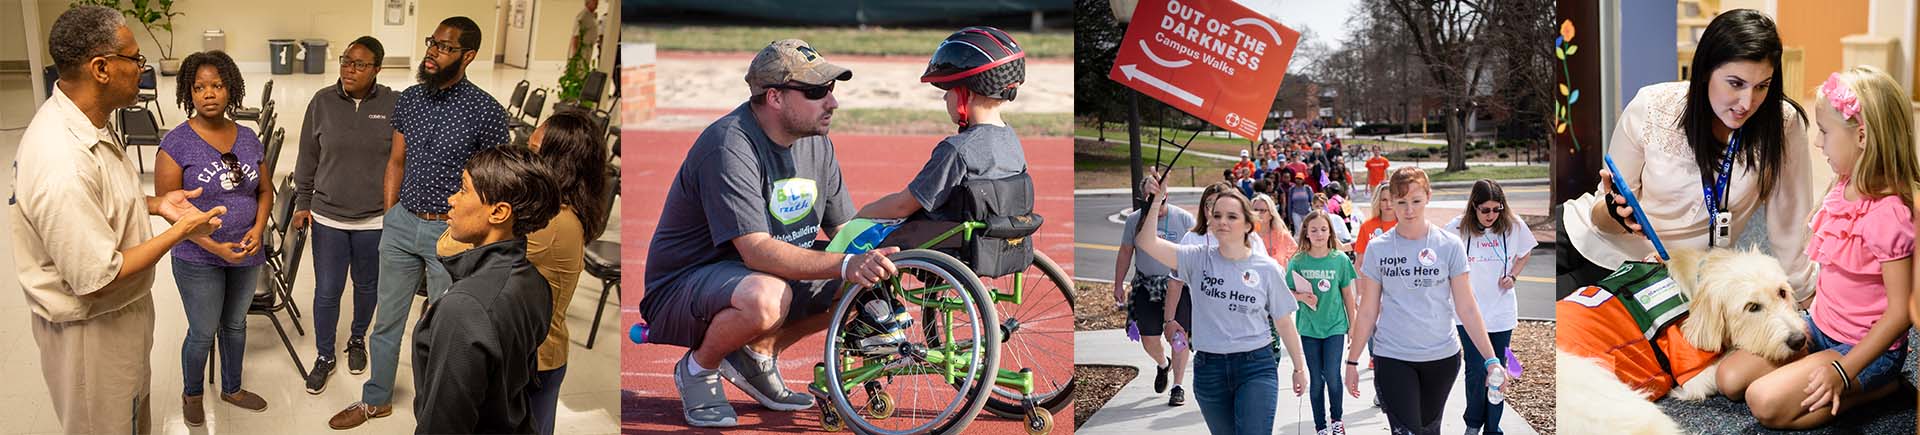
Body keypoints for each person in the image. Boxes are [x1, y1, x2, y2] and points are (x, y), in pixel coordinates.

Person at [642, 39, 898, 428]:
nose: (832, 103)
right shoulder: (729, 145)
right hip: (684, 287)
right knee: (767, 297)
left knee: (863, 283)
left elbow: (843, 230)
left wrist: (887, 257)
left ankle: (758, 356)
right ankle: (698, 368)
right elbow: (757, 251)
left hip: (753, 277)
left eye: (831, 90)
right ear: (774, 97)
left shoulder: (818, 143)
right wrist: (847, 264)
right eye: (816, 92)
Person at [11, 6, 226, 433]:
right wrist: (181, 229)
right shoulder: (62, 161)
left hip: (118, 318)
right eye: (135, 59)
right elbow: (100, 277)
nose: (142, 70)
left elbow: (101, 198)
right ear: (102, 68)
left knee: (132, 420)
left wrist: (157, 203)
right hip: (92, 334)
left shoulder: (89, 122)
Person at [330, 16, 513, 429]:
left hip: (452, 235)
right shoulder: (410, 99)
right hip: (401, 224)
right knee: (387, 320)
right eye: (433, 42)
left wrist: (472, 239)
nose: (433, 51)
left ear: (468, 56)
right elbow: (396, 161)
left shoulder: (485, 111)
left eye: (445, 47)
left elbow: (494, 183)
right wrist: (392, 212)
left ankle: (436, 409)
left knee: (444, 330)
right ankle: (376, 399)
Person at [1564, 9, 1817, 300]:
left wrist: (1802, 307)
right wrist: (1613, 212)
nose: (1747, 103)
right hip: (1588, 241)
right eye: (1735, 83)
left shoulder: (1783, 123)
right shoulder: (1652, 107)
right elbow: (1599, 217)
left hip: (1659, 280)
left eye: (1762, 86)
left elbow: (1792, 229)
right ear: (1705, 72)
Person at [1717, 67, 1917, 430]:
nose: (1818, 143)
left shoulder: (1890, 216)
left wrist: (1843, 370)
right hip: (1821, 329)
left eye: (1825, 132)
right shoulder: (1844, 185)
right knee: (1729, 379)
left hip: (1866, 352)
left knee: (1765, 403)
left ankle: (1883, 388)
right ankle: (1827, 370)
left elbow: (1901, 314)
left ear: (1862, 136)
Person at [1137, 177, 1308, 435]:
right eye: (1216, 216)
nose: (1222, 222)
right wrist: (1156, 202)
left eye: (1231, 216)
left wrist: (1298, 368)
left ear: (1249, 224)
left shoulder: (1267, 268)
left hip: (1256, 366)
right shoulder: (1196, 258)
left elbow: (1284, 322)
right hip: (1210, 368)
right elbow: (1147, 243)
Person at [156, 49, 272, 425]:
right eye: (200, 87)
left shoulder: (249, 138)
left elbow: (264, 191)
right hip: (198, 258)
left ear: (230, 89)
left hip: (246, 250)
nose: (209, 93)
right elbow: (170, 212)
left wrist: (257, 230)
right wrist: (213, 245)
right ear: (188, 93)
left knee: (236, 324)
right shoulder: (176, 144)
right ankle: (192, 393)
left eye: (217, 85)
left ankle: (232, 387)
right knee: (203, 331)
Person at [1345, 167, 1505, 435]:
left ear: (1428, 197)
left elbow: (1467, 307)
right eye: (1401, 202)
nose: (1409, 210)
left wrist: (1491, 359)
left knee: (1429, 431)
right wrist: (1352, 361)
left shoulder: (1449, 245)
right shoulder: (1378, 248)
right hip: (1393, 356)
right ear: (1390, 203)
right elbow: (1368, 310)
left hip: (1441, 357)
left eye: (1416, 201)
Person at [412, 146, 561, 432]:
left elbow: (443, 424)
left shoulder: (464, 308)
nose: (451, 199)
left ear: (498, 211)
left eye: (464, 189)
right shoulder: (535, 282)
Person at [294, 36, 397, 394]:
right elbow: (307, 156)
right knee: (327, 290)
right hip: (329, 216)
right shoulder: (322, 102)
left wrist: (395, 210)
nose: (349, 69)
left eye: (359, 64)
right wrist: (302, 203)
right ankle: (324, 355)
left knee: (367, 286)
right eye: (345, 61)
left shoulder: (393, 104)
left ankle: (357, 340)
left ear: (377, 70)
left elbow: (401, 162)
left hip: (374, 220)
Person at [855, 26, 1029, 223]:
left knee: (859, 231)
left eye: (948, 89)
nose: (945, 96)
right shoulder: (1011, 141)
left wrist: (862, 212)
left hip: (951, 246)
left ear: (968, 94)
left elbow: (903, 206)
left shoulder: (957, 150)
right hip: (996, 244)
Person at [1444, 179, 1537, 435]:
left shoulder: (1513, 226)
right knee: (1475, 371)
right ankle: (1473, 424)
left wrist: (1514, 275)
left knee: (1498, 375)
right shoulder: (1457, 227)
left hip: (1501, 314)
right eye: (1485, 210)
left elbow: (1525, 252)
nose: (1491, 215)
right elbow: (1440, 257)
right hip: (1468, 314)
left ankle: (1492, 428)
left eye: (1497, 209)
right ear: (1474, 206)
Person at [1114, 195, 1198, 407]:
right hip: (1146, 286)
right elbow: (1125, 252)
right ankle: (1163, 364)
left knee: (1179, 336)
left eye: (1160, 203)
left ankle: (1177, 387)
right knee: (1148, 339)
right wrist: (1118, 284)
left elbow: (1198, 253)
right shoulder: (1134, 220)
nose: (1157, 209)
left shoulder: (1184, 219)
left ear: (1165, 198)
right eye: (1151, 204)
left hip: (1178, 285)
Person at [1289, 209, 1358, 435]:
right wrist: (1301, 297)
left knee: (1332, 374)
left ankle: (1337, 420)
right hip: (1309, 327)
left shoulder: (1339, 260)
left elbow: (1348, 295)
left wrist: (1352, 326)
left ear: (1330, 232)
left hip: (1334, 326)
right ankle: (1320, 426)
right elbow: (1285, 291)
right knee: (1316, 379)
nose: (1319, 234)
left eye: (1323, 229)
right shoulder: (1298, 260)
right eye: (1314, 230)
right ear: (1306, 233)